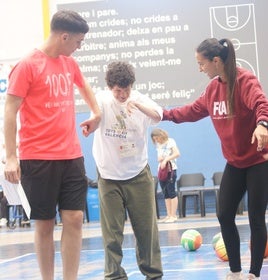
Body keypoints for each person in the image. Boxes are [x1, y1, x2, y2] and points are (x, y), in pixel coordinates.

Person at [4, 10, 101, 280]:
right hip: (38, 157)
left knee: (74, 219)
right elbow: (10, 110)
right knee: (45, 224)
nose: (79, 47)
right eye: (78, 42)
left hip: (71, 156)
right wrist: (11, 157)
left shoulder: (70, 64)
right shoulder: (27, 65)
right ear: (64, 35)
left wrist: (96, 113)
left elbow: (85, 87)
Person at [162, 38, 268, 280]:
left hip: (259, 161)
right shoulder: (212, 90)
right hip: (235, 162)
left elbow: (262, 103)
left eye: (202, 63)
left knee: (255, 216)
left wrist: (262, 124)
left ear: (216, 61)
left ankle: (253, 273)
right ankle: (235, 271)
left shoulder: (245, 81)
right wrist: (162, 114)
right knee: (224, 214)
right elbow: (189, 111)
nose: (200, 68)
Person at [81, 61, 163, 279]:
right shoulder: (101, 99)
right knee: (112, 235)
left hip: (138, 175)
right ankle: (114, 275)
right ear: (110, 88)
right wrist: (91, 123)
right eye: (118, 90)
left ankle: (153, 274)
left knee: (147, 231)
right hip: (109, 177)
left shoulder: (139, 99)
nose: (123, 94)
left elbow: (158, 116)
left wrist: (138, 106)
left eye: (126, 89)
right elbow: (96, 117)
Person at [151, 128, 180, 223]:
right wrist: (160, 159)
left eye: (157, 138)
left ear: (161, 135)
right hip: (162, 170)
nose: (156, 141)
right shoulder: (159, 145)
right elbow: (159, 157)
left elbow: (177, 153)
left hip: (170, 169)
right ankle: (168, 215)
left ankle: (173, 215)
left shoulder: (170, 141)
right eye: (154, 140)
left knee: (172, 192)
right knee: (166, 193)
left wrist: (166, 159)